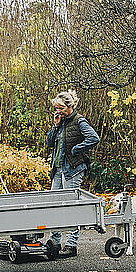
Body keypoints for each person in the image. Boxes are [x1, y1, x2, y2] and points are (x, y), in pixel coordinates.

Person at [46, 90, 100, 257]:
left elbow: (94, 138)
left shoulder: (79, 121)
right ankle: (54, 242)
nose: (58, 111)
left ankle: (71, 245)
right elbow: (48, 143)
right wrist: (55, 126)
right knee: (54, 205)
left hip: (73, 169)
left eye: (61, 108)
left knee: (71, 207)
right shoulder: (60, 122)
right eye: (56, 108)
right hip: (58, 169)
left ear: (70, 106)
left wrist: (76, 149)